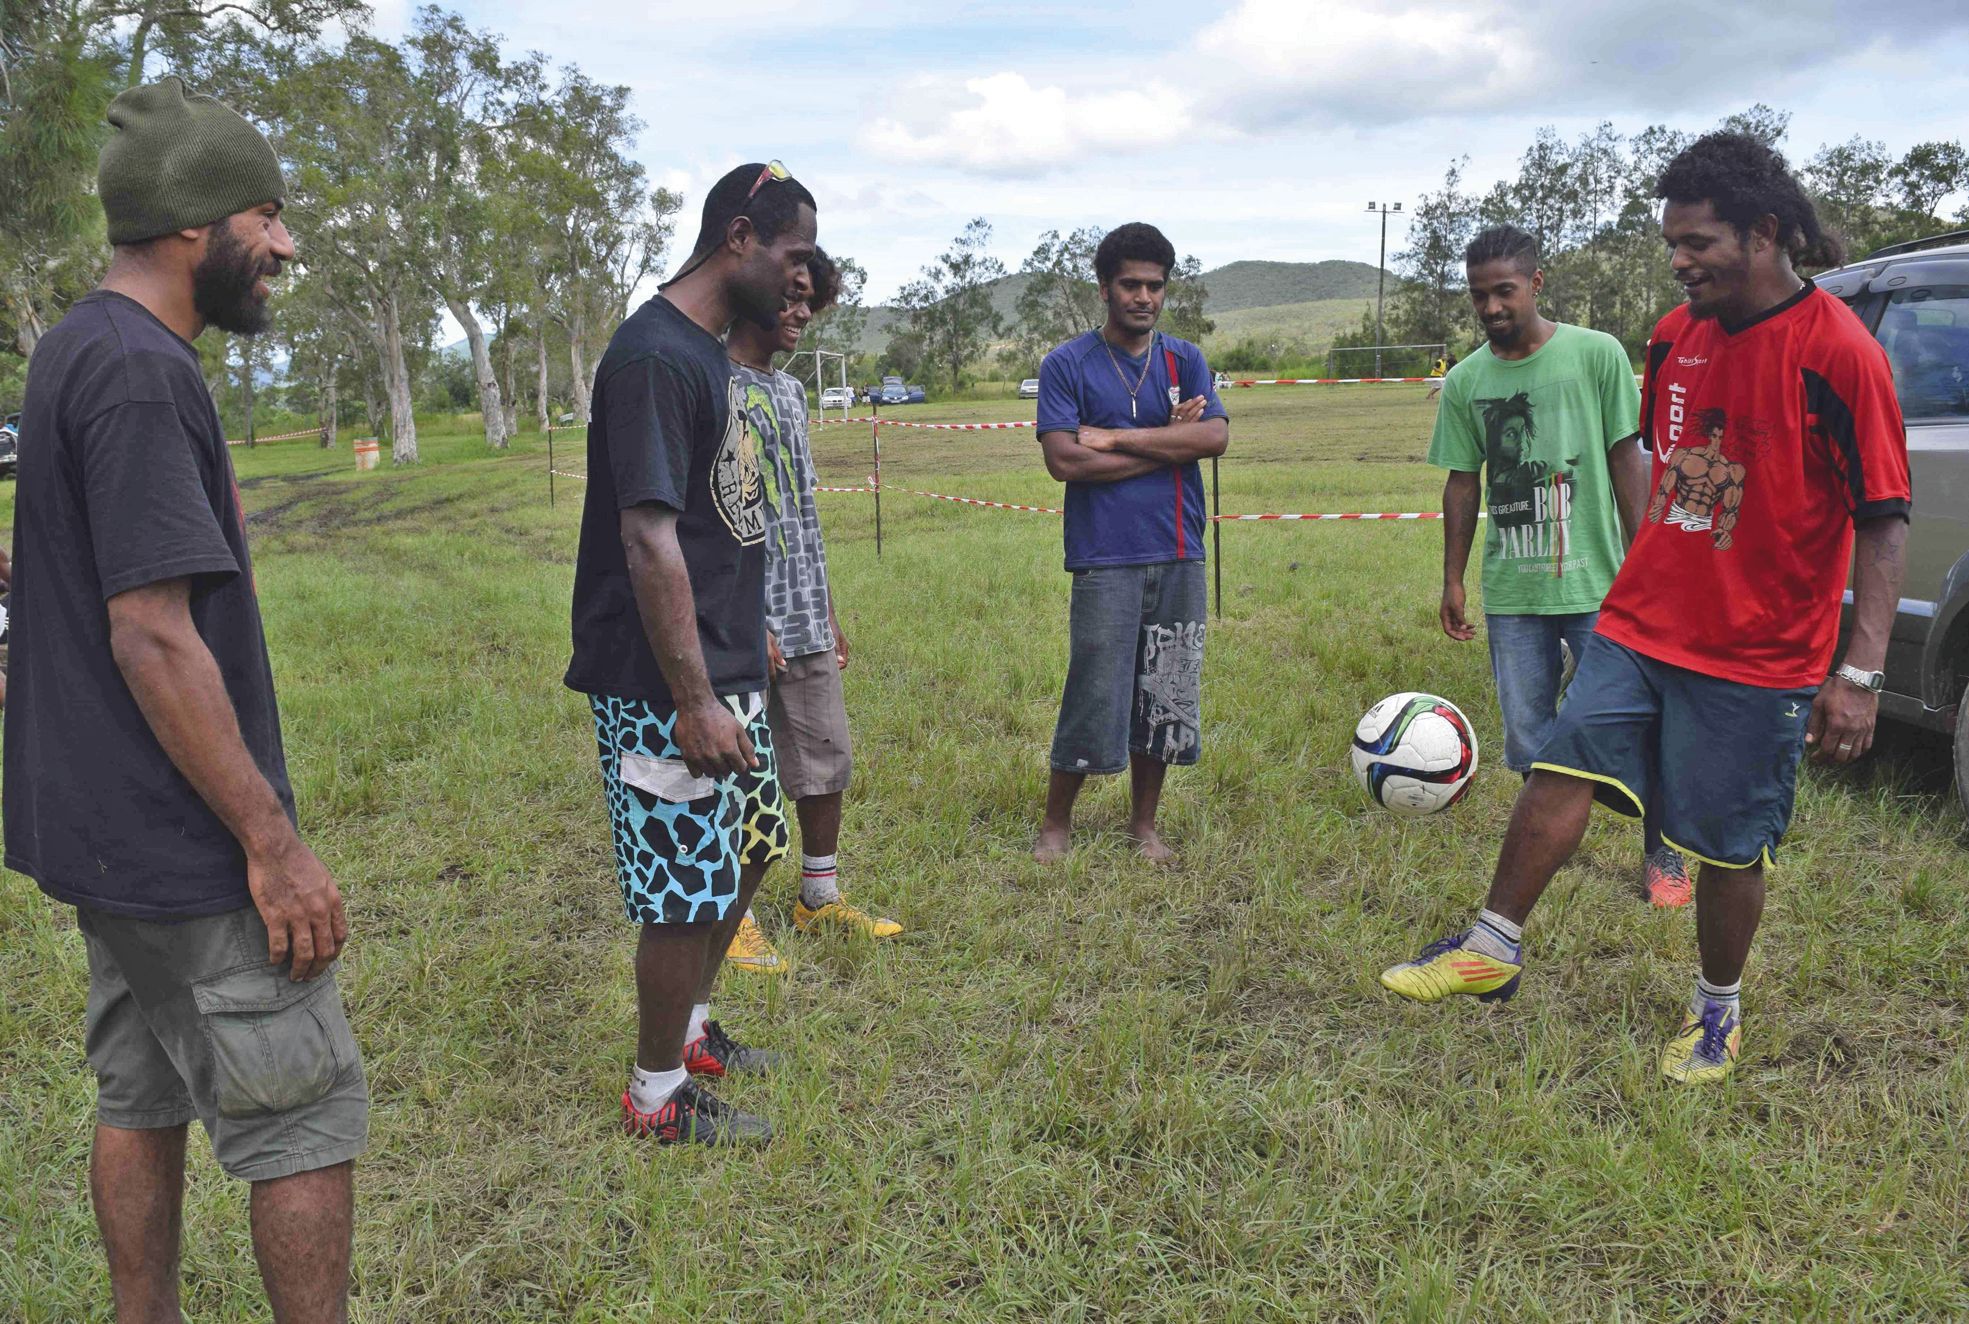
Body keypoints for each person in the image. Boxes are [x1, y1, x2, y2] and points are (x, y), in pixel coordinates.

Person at [1380, 133, 1910, 1085]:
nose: (1678, 259)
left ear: (1764, 233)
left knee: (1726, 842)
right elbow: (1672, 468)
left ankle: (1716, 1016)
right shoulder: (1674, 335)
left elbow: (1882, 519)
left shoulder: (1840, 354)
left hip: (1758, 651)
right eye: (1671, 241)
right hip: (1642, 618)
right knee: (1558, 763)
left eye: (1697, 242)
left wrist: (1859, 672)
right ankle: (1490, 950)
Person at [5, 78, 366, 1321]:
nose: (286, 248)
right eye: (266, 218)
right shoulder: (146, 375)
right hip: (187, 849)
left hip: (100, 837)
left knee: (140, 1091)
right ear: (192, 227)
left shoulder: (74, 346)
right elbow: (154, 636)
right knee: (303, 1117)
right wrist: (272, 844)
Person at [565, 162, 815, 1144]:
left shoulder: (703, 352)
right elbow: (647, 536)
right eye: (792, 257)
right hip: (666, 687)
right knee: (682, 892)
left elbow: (712, 520)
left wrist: (741, 636)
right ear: (739, 236)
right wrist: (694, 695)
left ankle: (695, 1031)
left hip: (724, 665)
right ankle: (655, 1094)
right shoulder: (656, 357)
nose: (800, 282)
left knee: (746, 853)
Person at [1430, 224, 1689, 907]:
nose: (1490, 308)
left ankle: (1661, 854)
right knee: (1527, 737)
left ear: (1535, 284)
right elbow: (1462, 483)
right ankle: (1543, 843)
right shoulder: (1464, 381)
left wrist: (1646, 563)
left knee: (1642, 720)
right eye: (1478, 296)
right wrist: (1453, 578)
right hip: (1513, 594)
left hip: (1600, 586)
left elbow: (1624, 456)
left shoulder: (1595, 355)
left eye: (1504, 292)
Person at [722, 248, 900, 974]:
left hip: (802, 612)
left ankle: (817, 899)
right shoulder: (710, 384)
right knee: (741, 774)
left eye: (810, 302)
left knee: (826, 755)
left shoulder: (790, 395)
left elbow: (799, 509)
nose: (800, 312)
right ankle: (728, 918)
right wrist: (745, 620)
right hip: (737, 620)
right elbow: (715, 516)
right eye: (790, 297)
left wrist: (824, 609)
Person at [1033, 222, 1229, 864]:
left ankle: (1144, 825)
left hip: (1178, 550)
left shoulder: (1185, 359)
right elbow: (1065, 461)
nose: (1143, 297)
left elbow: (1213, 440)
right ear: (1105, 288)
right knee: (1095, 684)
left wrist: (1116, 438)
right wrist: (1168, 447)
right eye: (1130, 285)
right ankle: (1056, 823)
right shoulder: (1067, 364)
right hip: (1104, 555)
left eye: (1155, 286)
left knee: (1167, 688)